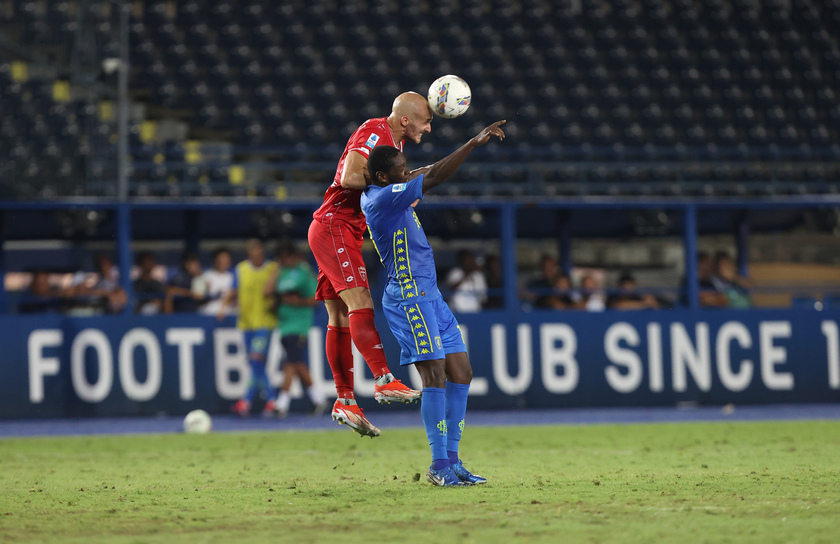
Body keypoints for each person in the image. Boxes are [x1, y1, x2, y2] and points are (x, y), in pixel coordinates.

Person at [361, 120, 506, 486]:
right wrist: (472, 144)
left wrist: (424, 167)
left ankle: (453, 461)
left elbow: (425, 171)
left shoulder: (389, 188)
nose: (408, 174)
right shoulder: (381, 198)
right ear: (383, 176)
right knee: (434, 376)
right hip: (409, 297)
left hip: (431, 295)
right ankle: (438, 465)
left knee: (462, 372)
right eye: (401, 172)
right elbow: (435, 177)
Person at [308, 92, 431, 437]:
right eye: (426, 120)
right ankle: (382, 379)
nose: (429, 128)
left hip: (336, 226)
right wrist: (391, 183)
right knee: (360, 302)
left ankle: (345, 401)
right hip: (336, 224)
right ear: (405, 119)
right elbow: (349, 176)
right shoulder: (376, 131)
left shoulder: (393, 143)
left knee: (338, 316)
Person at [263, 241, 328, 418]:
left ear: (293, 256)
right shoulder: (280, 272)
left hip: (299, 324)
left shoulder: (303, 272)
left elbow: (316, 299)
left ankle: (281, 404)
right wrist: (276, 270)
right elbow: (266, 291)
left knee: (290, 362)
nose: (283, 260)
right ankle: (319, 399)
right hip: (283, 325)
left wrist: (296, 302)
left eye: (285, 256)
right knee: (296, 362)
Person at [218, 239, 280, 417]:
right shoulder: (241, 269)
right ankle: (251, 402)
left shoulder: (272, 269)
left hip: (265, 322)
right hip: (245, 323)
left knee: (255, 359)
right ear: (248, 253)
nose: (256, 254)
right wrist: (223, 306)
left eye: (258, 251)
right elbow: (234, 290)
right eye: (252, 251)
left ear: (262, 251)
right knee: (256, 363)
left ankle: (267, 400)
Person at [193, 247, 235, 316]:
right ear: (215, 260)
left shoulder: (232, 277)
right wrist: (205, 291)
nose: (224, 262)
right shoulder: (206, 276)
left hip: (228, 313)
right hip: (209, 312)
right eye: (221, 259)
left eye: (226, 259)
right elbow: (197, 295)